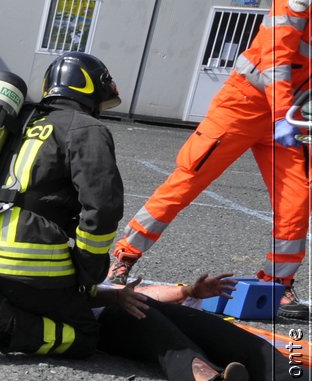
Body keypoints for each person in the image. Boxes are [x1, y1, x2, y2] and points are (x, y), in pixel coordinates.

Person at [107, 0, 310, 318]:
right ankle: (124, 259)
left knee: (297, 201)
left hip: (286, 114)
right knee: (189, 179)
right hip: (246, 101)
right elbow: (276, 56)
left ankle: (277, 285)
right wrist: (284, 114)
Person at [0, 52, 124, 360]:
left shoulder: (20, 118)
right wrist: (89, 271)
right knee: (84, 336)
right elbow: (102, 209)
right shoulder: (87, 129)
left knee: (36, 292)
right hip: (26, 263)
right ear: (92, 89)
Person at [95, 273, 307, 381]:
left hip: (118, 302)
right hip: (97, 323)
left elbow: (127, 290)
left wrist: (188, 291)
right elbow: (70, 300)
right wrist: (114, 299)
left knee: (218, 331)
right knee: (166, 337)